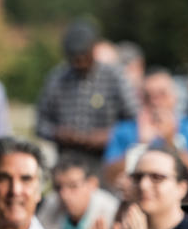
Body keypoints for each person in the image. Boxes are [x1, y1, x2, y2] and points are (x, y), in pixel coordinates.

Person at [35, 20, 137, 173]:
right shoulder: (56, 78)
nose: (80, 64)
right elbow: (40, 123)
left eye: (84, 57)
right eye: (74, 59)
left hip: (107, 162)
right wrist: (57, 133)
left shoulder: (114, 77)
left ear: (93, 49)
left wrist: (108, 136)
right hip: (67, 162)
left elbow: (134, 121)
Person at [104, 68, 188, 190]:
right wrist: (140, 144)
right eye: (148, 96)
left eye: (162, 94)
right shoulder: (124, 130)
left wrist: (172, 142)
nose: (155, 102)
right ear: (140, 99)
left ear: (174, 96)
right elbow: (109, 177)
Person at [37, 155, 119, 229]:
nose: (64, 195)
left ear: (92, 184)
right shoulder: (51, 202)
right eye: (58, 187)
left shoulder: (111, 211)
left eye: (73, 186)